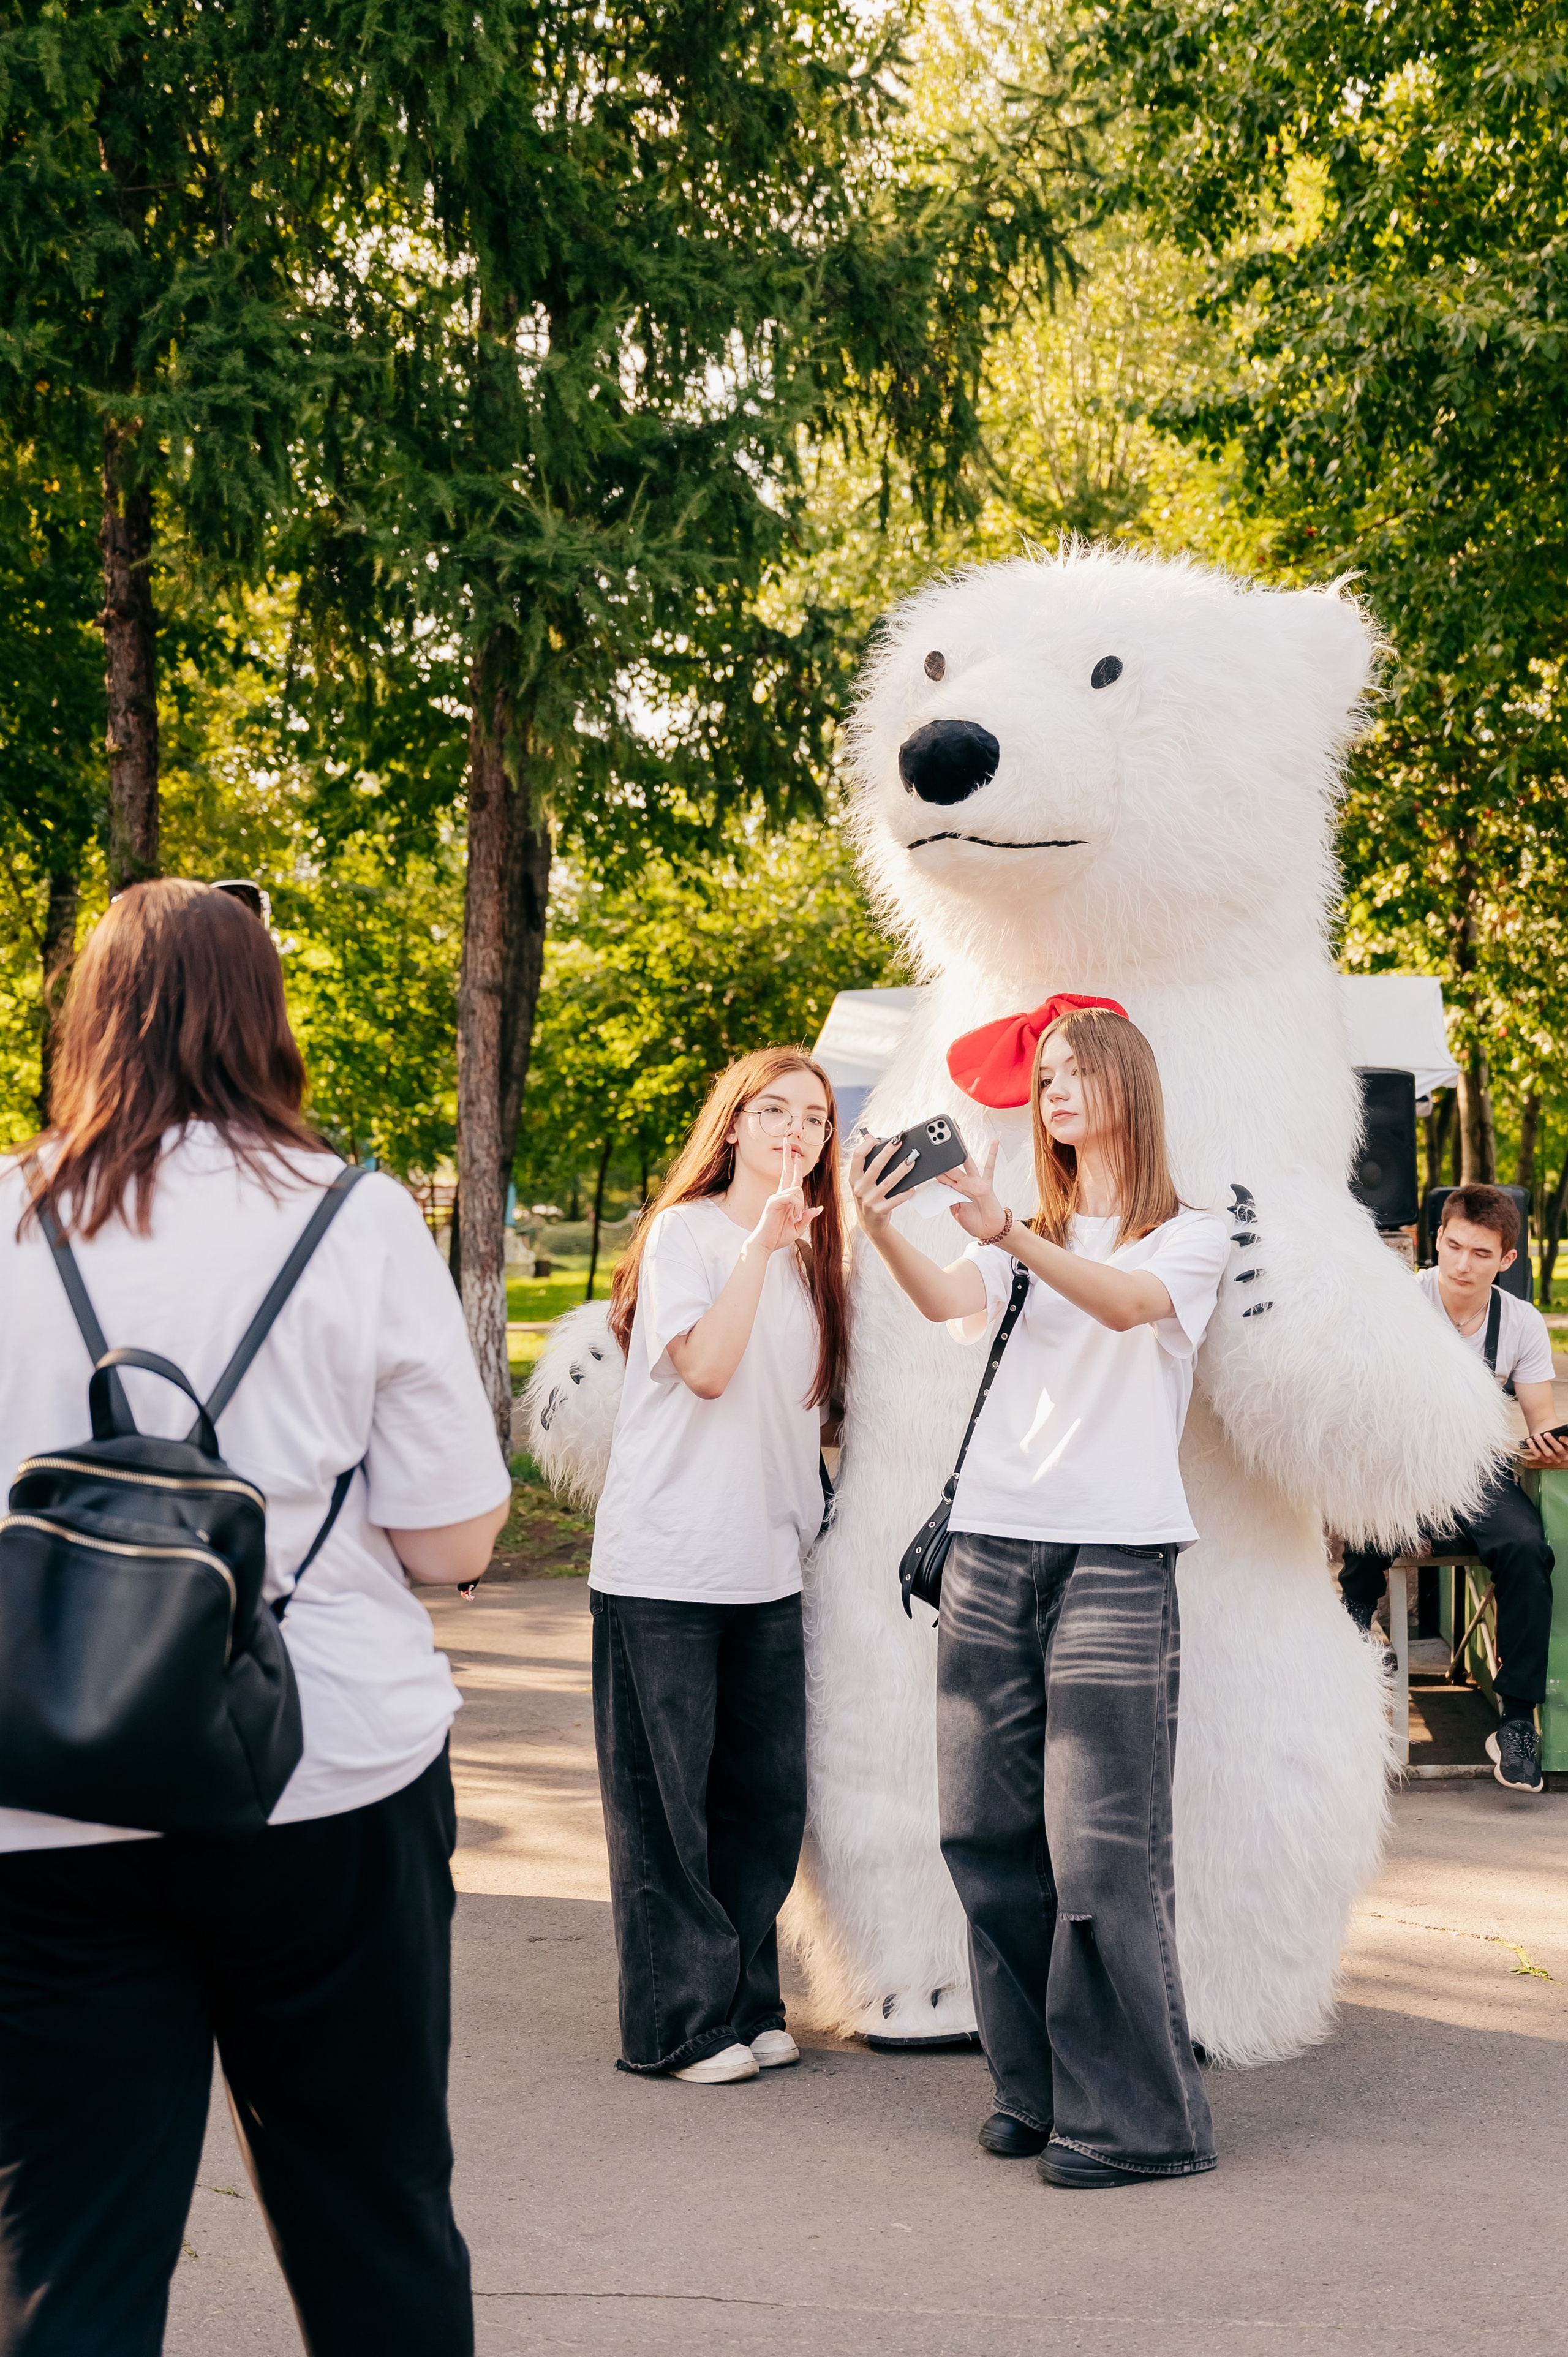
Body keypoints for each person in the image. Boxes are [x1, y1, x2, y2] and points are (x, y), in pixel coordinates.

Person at [0, 881, 511, 2357]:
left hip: (50, 1788)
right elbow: (451, 1536)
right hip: (325, 1769)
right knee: (371, 2209)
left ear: (84, 1018)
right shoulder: (354, 1220)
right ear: (263, 1016)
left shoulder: (11, 1216)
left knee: (71, 2243)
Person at [850, 1003, 1230, 2189]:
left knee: (1101, 1852)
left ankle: (1138, 2125)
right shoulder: (1028, 1236)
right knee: (983, 1834)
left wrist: (1010, 1230)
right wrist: (882, 1232)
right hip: (987, 1551)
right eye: (1044, 1076)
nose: (1051, 1090)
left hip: (1114, 1560)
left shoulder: (1190, 1235)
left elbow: (1119, 1307)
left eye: (1073, 1071)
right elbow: (951, 1304)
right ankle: (1037, 2089)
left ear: (1128, 1082)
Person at [592, 1049, 848, 2084]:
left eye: (816, 1118)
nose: (796, 1129)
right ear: (733, 1126)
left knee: (764, 1800)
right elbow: (704, 1369)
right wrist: (759, 1245)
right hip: (666, 1563)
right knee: (669, 1809)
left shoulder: (820, 1258)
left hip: (768, 1566)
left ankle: (746, 1997)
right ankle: (677, 2025)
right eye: (775, 1109)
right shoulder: (689, 1235)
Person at [1338, 1183, 1563, 1793]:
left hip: (1478, 1470)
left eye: (1481, 1253)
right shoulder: (1397, 1304)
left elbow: (1540, 1417)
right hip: (1398, 1465)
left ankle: (1515, 1719)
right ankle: (1342, 1667)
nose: (1463, 1264)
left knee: (1526, 1548)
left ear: (1506, 1259)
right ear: (1436, 1238)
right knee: (1368, 1529)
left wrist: (1551, 1439)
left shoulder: (1520, 1322)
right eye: (1454, 1246)